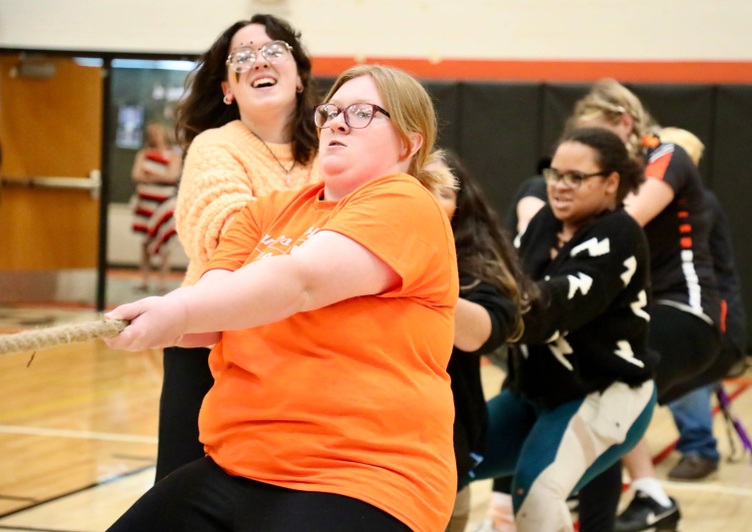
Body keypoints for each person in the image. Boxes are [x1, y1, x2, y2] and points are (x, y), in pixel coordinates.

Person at [104, 64, 459, 532]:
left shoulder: (405, 202)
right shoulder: (266, 212)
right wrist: (155, 321)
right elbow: (210, 316)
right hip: (238, 465)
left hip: (362, 476)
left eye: (361, 113)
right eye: (331, 111)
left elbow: (302, 281)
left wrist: (178, 308)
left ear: (409, 142)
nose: (336, 122)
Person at [468, 127, 658, 532]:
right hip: (534, 393)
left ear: (611, 183)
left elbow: (550, 312)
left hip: (603, 392)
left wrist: (472, 306)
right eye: (554, 174)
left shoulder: (620, 234)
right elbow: (503, 281)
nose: (559, 186)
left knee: (536, 491)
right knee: (446, 461)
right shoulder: (543, 222)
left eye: (576, 177)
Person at [156, 15, 320, 481]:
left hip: (304, 348)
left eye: (273, 50)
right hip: (211, 343)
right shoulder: (214, 146)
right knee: (185, 487)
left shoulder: (335, 149)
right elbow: (231, 238)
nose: (257, 61)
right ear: (228, 88)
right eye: (241, 57)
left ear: (300, 76)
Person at [569, 78, 725, 532]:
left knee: (604, 367)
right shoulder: (612, 175)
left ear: (625, 122)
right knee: (603, 385)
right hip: (643, 312)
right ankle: (646, 493)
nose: (589, 147)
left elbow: (625, 221)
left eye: (596, 135)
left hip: (688, 309)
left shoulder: (666, 155)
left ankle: (636, 490)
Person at [433, 151, 530, 532]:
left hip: (447, 447)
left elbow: (480, 334)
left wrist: (417, 270)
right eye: (418, 187)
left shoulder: (473, 268)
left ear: (461, 205)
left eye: (442, 191)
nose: (428, 199)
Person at [659, 126, 749, 482]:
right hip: (692, 307)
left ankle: (700, 449)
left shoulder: (698, 204)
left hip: (713, 314)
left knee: (687, 367)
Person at [130, 122, 182, 294]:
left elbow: (172, 176)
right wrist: (160, 175)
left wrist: (151, 175)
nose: (155, 136)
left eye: (157, 132)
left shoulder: (174, 155)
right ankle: (144, 280)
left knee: (165, 243)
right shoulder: (144, 153)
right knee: (145, 243)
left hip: (164, 203)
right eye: (151, 133)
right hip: (145, 203)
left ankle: (162, 282)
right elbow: (136, 175)